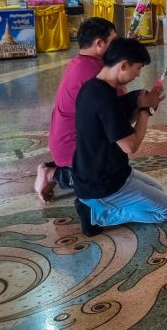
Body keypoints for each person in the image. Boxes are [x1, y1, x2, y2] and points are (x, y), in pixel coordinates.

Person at [72, 38, 167, 236]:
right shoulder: (104, 100)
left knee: (159, 190)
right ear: (124, 65)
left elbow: (119, 126)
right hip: (103, 183)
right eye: (138, 68)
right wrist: (144, 110)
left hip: (103, 172)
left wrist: (148, 105)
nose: (138, 74)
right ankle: (96, 213)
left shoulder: (93, 87)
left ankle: (95, 205)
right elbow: (131, 146)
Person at [35, 17, 117, 202]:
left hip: (66, 143)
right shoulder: (92, 72)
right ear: (99, 44)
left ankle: (60, 169)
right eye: (114, 41)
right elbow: (117, 109)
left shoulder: (82, 62)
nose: (116, 46)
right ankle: (53, 174)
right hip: (72, 147)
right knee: (109, 179)